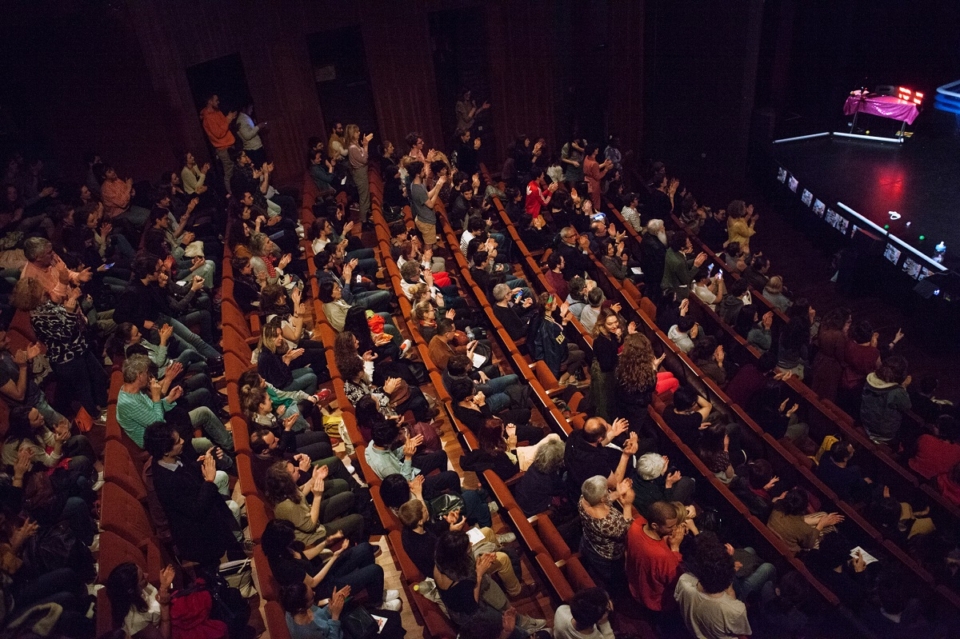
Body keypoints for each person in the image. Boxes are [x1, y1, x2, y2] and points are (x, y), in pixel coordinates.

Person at [143, 421, 242, 569]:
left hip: (200, 506)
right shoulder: (166, 481)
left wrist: (206, 460)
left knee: (222, 485)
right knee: (231, 512)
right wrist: (209, 480)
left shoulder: (170, 459)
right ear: (165, 451)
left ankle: (236, 540)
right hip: (198, 533)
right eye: (177, 441)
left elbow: (185, 470)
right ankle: (236, 553)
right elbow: (197, 510)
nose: (183, 441)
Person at [11, 276, 108, 418]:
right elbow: (64, 334)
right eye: (39, 288)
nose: (43, 289)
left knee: (99, 376)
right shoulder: (37, 317)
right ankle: (96, 416)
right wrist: (70, 307)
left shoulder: (46, 304)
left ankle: (105, 407)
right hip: (67, 359)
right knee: (84, 390)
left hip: (80, 348)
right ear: (33, 295)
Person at [262, 519, 401, 611]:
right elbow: (314, 583)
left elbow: (304, 556)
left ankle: (372, 589)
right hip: (321, 589)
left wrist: (326, 542)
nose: (294, 537)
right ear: (280, 542)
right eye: (291, 536)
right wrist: (334, 557)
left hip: (320, 572)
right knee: (375, 571)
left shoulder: (284, 549)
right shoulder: (283, 566)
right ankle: (376, 604)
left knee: (365, 548)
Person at [433, 531, 546, 636]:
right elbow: (472, 607)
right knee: (492, 590)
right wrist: (479, 573)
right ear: (458, 556)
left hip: (459, 602)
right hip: (470, 617)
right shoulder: (460, 582)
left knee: (490, 585)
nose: (471, 544)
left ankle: (518, 618)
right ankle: (522, 627)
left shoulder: (440, 563)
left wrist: (478, 565)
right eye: (468, 547)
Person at [263, 461, 364, 544]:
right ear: (286, 481)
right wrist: (317, 496)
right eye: (294, 470)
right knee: (357, 519)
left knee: (348, 497)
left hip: (312, 516)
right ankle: (361, 543)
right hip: (314, 537)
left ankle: (350, 533)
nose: (298, 468)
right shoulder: (286, 506)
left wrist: (314, 478)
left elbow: (301, 492)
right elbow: (310, 526)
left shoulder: (286, 490)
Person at [675, 532, 753, 639]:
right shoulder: (736, 610)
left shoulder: (684, 581)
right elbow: (742, 635)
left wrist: (726, 563)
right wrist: (728, 565)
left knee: (750, 551)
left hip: (693, 632)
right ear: (730, 579)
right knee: (768, 568)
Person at [280, 581, 404, 639]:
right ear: (301, 607)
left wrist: (332, 604)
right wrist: (335, 616)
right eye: (312, 596)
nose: (314, 592)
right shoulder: (307, 634)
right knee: (393, 621)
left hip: (338, 624)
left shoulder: (294, 607)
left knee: (388, 617)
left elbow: (321, 615)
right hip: (341, 634)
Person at [625, 501, 688, 614]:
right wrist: (675, 548)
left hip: (634, 587)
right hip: (655, 601)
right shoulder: (663, 556)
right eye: (670, 527)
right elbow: (678, 582)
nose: (675, 529)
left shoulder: (636, 525)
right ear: (655, 525)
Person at [578, 475, 635, 586]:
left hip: (589, 542)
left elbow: (602, 501)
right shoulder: (607, 523)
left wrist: (618, 493)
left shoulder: (584, 499)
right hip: (606, 558)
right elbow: (628, 532)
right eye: (606, 489)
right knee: (612, 582)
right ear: (602, 499)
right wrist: (628, 505)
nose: (609, 489)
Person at [767, 488, 844, 556]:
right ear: (803, 509)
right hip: (791, 551)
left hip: (774, 537)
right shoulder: (803, 529)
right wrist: (821, 524)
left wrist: (820, 520)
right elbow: (809, 544)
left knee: (823, 515)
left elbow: (794, 521)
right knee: (830, 529)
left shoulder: (777, 506)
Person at [861, 355, 912, 444]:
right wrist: (904, 387)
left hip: (865, 423)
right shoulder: (897, 392)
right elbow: (907, 406)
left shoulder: (870, 379)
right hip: (884, 435)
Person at [199, 94, 237, 194]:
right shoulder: (208, 118)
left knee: (235, 169)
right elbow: (219, 133)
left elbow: (224, 125)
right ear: (210, 101)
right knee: (229, 172)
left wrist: (230, 118)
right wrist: (228, 120)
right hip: (223, 149)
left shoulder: (217, 111)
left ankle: (239, 191)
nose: (218, 102)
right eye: (216, 100)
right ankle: (231, 194)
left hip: (229, 145)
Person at [407, 160, 445, 249]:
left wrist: (437, 185)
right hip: (426, 221)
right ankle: (427, 261)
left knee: (430, 244)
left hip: (422, 218)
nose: (424, 171)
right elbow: (431, 204)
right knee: (428, 246)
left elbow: (427, 195)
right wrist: (438, 189)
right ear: (417, 174)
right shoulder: (418, 189)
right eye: (422, 170)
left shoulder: (416, 184)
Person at [662, 232, 707, 300]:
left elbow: (682, 265)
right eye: (688, 242)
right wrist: (696, 266)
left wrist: (695, 260)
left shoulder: (670, 250)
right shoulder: (679, 262)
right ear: (682, 247)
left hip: (667, 282)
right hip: (676, 292)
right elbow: (686, 280)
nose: (690, 243)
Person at [345, 124, 372, 226]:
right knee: (363, 196)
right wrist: (365, 145)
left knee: (365, 195)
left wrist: (364, 146)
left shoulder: (355, 145)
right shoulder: (352, 148)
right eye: (357, 132)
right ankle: (364, 221)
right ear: (352, 134)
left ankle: (366, 217)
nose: (359, 133)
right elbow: (364, 159)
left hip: (362, 173)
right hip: (359, 174)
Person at [582, 145, 612, 210]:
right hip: (593, 184)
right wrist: (606, 169)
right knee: (595, 202)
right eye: (596, 149)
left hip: (587, 180)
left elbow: (593, 169)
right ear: (593, 151)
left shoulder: (587, 157)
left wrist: (604, 164)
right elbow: (597, 176)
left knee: (591, 200)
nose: (597, 149)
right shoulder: (594, 163)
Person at [236, 103, 266, 167]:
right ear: (244, 108)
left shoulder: (245, 118)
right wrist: (258, 127)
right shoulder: (241, 120)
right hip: (253, 149)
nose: (251, 110)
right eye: (250, 108)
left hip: (255, 148)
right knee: (260, 168)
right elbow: (247, 136)